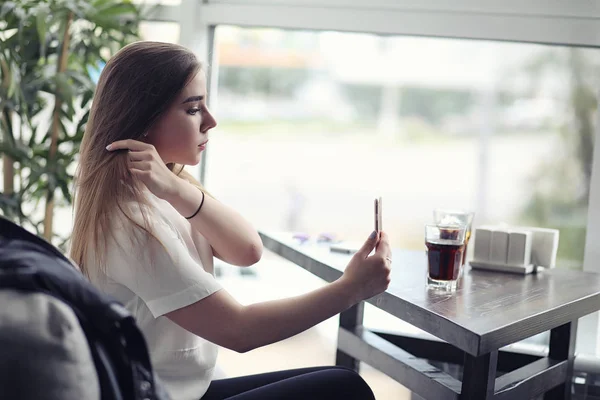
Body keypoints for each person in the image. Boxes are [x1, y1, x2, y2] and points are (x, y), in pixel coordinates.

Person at [70, 41, 392, 400]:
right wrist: (351, 289)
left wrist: (178, 189)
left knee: (339, 380)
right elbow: (239, 331)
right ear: (143, 120)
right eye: (193, 109)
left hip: (186, 390)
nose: (211, 120)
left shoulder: (163, 192)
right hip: (157, 396)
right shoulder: (130, 223)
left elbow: (247, 250)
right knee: (343, 387)